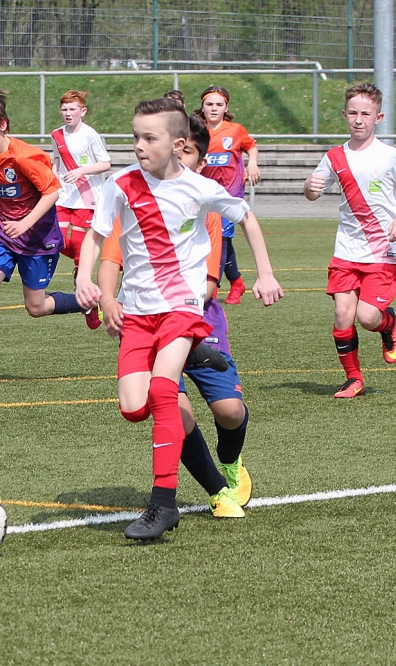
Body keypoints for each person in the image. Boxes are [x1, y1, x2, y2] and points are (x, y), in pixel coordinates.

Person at [76, 97, 283, 541]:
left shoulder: (198, 188)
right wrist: (83, 279)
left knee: (163, 391)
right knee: (134, 408)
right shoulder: (120, 184)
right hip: (138, 313)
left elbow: (247, 217)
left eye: (149, 138)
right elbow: (96, 235)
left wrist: (265, 273)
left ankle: (163, 504)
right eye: (135, 136)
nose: (139, 145)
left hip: (181, 309)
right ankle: (193, 355)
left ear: (177, 143)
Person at [0, 90, 96, 389]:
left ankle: (91, 302)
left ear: (3, 124)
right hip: (2, 235)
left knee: (36, 307)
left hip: (37, 240)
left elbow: (52, 192)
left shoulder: (24, 156)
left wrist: (26, 222)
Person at [303, 82, 396, 399]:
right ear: (344, 115)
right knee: (342, 314)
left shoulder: (389, 156)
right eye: (353, 113)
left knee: (367, 317)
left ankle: (388, 323)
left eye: (366, 114)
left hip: (384, 248)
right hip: (347, 248)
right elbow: (313, 192)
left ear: (378, 117)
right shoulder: (334, 156)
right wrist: (309, 187)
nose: (359, 120)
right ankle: (353, 378)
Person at [50, 90, 111, 328]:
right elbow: (56, 161)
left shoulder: (90, 135)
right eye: (64, 109)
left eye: (72, 109)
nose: (67, 113)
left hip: (87, 198)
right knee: (55, 240)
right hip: (64, 197)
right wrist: (52, 181)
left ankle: (88, 299)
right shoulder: (57, 135)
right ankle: (85, 288)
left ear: (82, 111)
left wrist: (82, 170)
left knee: (78, 248)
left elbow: (105, 163)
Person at [195, 85, 260, 305]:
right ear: (202, 107)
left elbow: (251, 146)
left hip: (229, 194)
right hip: (205, 194)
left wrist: (252, 163)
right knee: (216, 238)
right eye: (209, 104)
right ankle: (237, 282)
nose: (214, 108)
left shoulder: (235, 130)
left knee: (221, 238)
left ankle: (212, 289)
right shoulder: (198, 132)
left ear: (226, 107)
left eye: (219, 104)